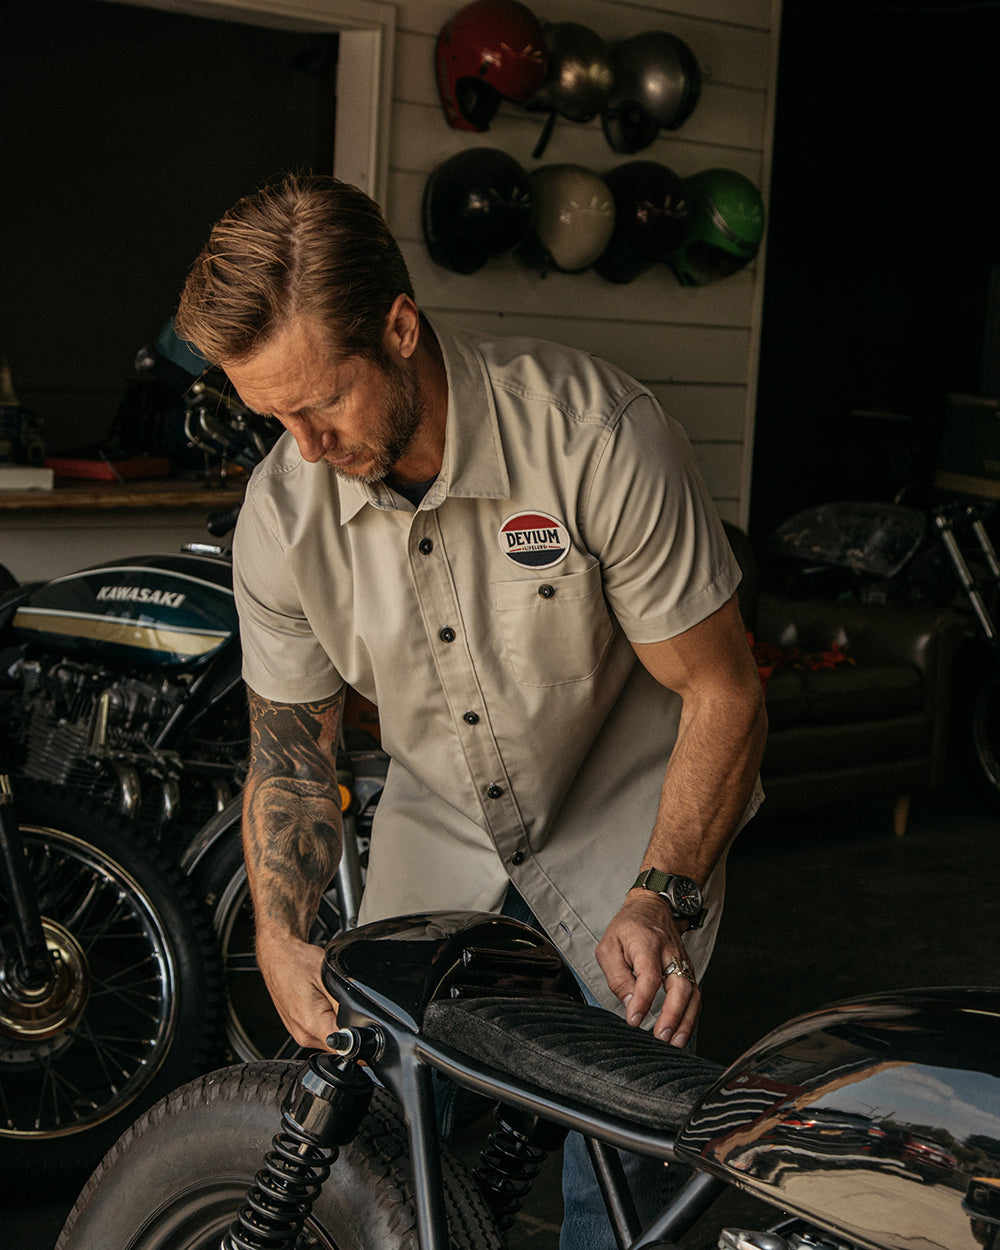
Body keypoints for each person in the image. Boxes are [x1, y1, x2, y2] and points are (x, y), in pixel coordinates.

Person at [174, 171, 767, 1246]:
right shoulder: (281, 511)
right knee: (377, 1158)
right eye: (271, 415)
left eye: (320, 402)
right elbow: (293, 753)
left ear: (399, 327)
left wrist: (663, 896)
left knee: (622, 1192)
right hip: (436, 841)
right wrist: (278, 932)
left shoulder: (596, 436)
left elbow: (722, 690)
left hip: (625, 843)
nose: (305, 447)